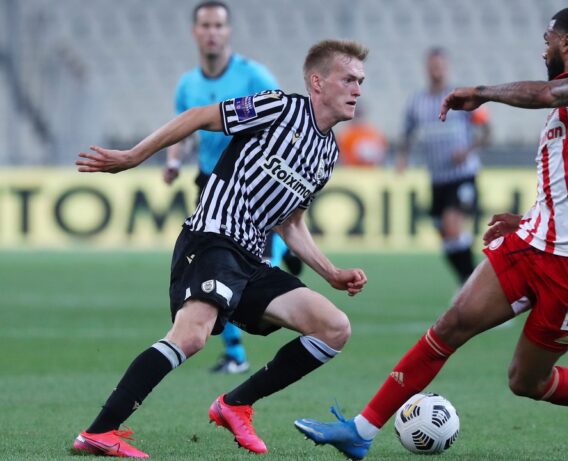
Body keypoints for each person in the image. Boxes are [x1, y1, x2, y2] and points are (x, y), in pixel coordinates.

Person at [295, 7, 568, 461]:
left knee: (526, 380)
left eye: (547, 41)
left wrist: (481, 93)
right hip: (536, 243)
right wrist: (531, 219)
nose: (543, 51)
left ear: (567, 42)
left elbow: (548, 93)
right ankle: (361, 431)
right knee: (450, 324)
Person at [72, 39, 369, 458]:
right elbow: (198, 116)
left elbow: (290, 222)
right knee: (191, 336)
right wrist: (135, 155)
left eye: (360, 82)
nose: (357, 89)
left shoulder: (327, 153)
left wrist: (331, 272)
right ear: (318, 82)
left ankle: (235, 404)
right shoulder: (278, 108)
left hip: (251, 259)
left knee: (334, 327)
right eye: (349, 79)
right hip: (212, 238)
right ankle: (99, 431)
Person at [163, 1, 303, 374]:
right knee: (212, 269)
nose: (212, 32)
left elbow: (285, 120)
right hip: (211, 185)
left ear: (228, 31)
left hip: (253, 187)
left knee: (251, 269)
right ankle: (236, 354)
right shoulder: (188, 84)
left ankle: (284, 256)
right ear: (195, 32)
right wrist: (173, 161)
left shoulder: (254, 76)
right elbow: (183, 128)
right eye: (205, 25)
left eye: (218, 25)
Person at [396, 47, 491, 284]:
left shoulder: (461, 96)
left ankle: (473, 284)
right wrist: (403, 156)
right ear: (426, 68)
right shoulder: (416, 102)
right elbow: (407, 132)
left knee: (452, 227)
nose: (436, 70)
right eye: (432, 65)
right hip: (436, 178)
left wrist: (467, 150)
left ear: (447, 67)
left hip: (462, 175)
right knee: (445, 235)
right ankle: (468, 281)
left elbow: (486, 132)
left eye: (439, 65)